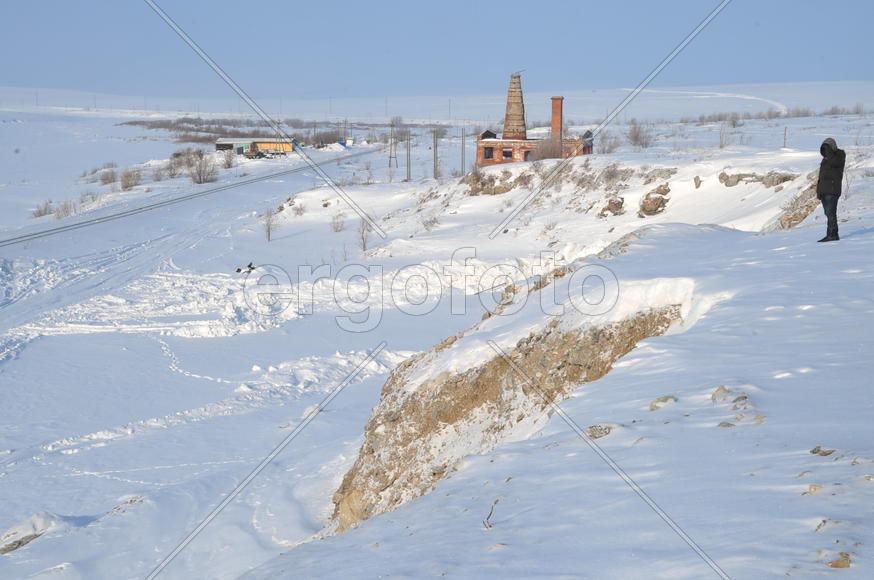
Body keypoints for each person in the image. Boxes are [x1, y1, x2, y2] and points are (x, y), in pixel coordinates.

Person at [815, 137, 846, 242]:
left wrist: (829, 151)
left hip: (833, 190)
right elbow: (821, 177)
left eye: (826, 148)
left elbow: (835, 163)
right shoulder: (825, 160)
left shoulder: (839, 156)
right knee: (828, 213)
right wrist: (819, 192)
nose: (825, 151)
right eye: (823, 149)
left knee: (830, 212)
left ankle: (833, 235)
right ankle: (831, 234)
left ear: (832, 147)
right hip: (824, 191)